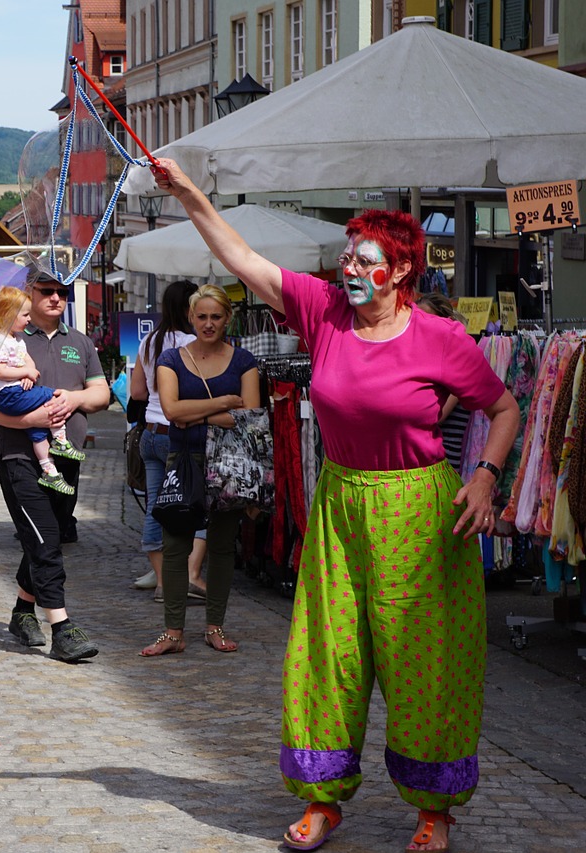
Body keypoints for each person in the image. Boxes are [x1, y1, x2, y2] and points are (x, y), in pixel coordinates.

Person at [150, 159, 519, 852]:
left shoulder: (440, 338)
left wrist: (486, 476)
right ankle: (322, 799)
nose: (350, 268)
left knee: (425, 658)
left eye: (365, 260)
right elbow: (243, 258)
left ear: (400, 271)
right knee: (329, 650)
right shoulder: (323, 313)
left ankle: (434, 808)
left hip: (420, 509)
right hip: (342, 503)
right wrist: (188, 194)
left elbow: (502, 407)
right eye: (347, 257)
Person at [0, 263, 109, 662]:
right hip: (20, 457)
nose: (56, 298)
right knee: (46, 536)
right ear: (29, 295)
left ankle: (21, 610)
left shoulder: (81, 342)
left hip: (66, 459)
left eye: (63, 291)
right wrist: (29, 420)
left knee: (47, 536)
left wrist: (75, 399)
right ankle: (62, 627)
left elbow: (101, 393)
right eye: (47, 290)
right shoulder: (11, 336)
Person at [138, 284, 259, 658]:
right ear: (191, 318)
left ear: (227, 319)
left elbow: (248, 419)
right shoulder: (172, 359)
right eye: (202, 316)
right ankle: (173, 631)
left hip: (227, 466)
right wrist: (221, 403)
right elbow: (171, 411)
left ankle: (214, 627)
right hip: (184, 461)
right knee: (175, 547)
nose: (209, 324)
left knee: (222, 548)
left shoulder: (244, 361)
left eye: (216, 317)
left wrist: (197, 413)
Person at [128, 280, 204, 598]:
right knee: (197, 505)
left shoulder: (149, 341)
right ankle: (190, 576)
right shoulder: (192, 343)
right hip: (180, 434)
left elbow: (136, 393)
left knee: (155, 508)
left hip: (150, 434)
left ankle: (162, 582)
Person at [0, 286, 82, 495]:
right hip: (8, 395)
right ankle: (61, 440)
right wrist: (24, 373)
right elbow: (0, 371)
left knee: (37, 435)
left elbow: (28, 361)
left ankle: (48, 470)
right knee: (52, 394)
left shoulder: (16, 340)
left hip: (17, 391)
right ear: (8, 315)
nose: (29, 319)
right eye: (25, 315)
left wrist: (29, 372)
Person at [416, 293, 473, 475]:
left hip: (447, 462)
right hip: (427, 461)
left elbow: (435, 416)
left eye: (428, 320)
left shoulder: (457, 361)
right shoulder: (426, 360)